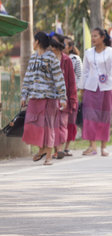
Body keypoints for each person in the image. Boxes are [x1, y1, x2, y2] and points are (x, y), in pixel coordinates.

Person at [20, 31, 67, 166]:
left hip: (49, 98)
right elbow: (28, 77)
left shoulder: (51, 58)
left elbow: (59, 78)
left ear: (37, 42)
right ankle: (41, 150)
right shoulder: (33, 58)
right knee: (33, 126)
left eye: (34, 41)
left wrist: (62, 98)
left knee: (48, 127)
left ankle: (48, 156)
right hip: (35, 98)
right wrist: (24, 95)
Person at [81, 28, 112, 156]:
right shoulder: (88, 53)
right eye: (92, 36)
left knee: (105, 116)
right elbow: (85, 71)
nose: (92, 38)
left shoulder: (111, 53)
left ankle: (104, 146)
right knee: (90, 117)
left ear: (103, 37)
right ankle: (92, 146)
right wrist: (81, 87)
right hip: (91, 88)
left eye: (95, 36)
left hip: (106, 88)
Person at [50, 33, 77, 159]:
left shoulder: (67, 60)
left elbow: (72, 82)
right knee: (53, 124)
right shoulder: (48, 59)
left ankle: (59, 149)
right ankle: (57, 149)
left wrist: (72, 99)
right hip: (50, 97)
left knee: (62, 124)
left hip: (64, 98)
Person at [63, 36, 83, 156]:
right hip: (58, 94)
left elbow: (80, 76)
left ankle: (66, 147)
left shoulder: (75, 59)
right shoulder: (56, 58)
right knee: (60, 122)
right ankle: (57, 148)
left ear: (70, 47)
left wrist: (76, 91)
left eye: (64, 44)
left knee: (70, 121)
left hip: (71, 94)